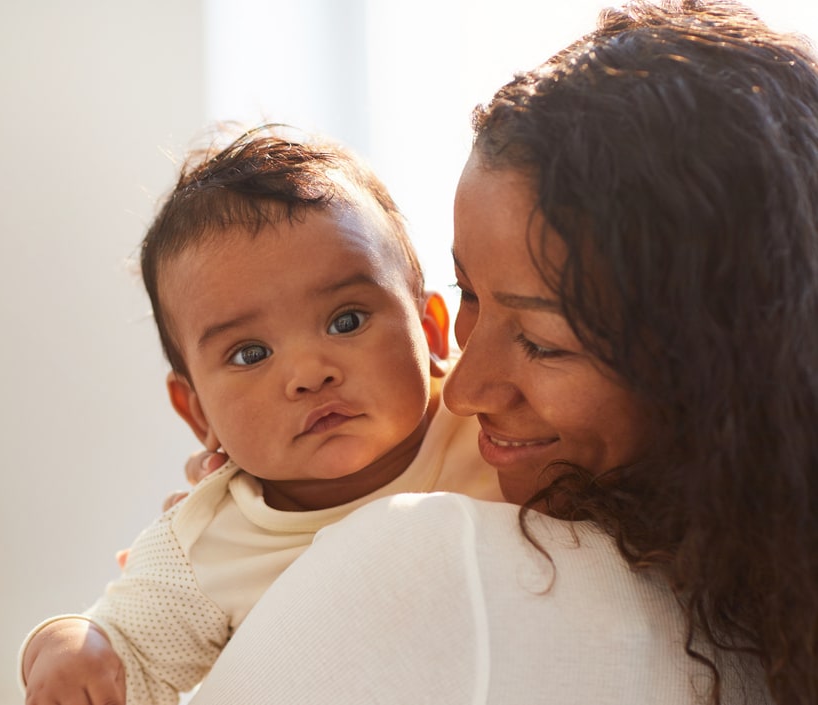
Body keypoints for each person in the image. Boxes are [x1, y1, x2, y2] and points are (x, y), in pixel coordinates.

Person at [183, 2, 818, 704]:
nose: (460, 388)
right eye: (469, 294)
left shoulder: (422, 559)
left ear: (717, 367)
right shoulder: (773, 611)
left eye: (542, 343)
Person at [19, 126, 502, 705]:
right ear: (199, 415)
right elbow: (127, 650)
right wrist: (65, 644)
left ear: (429, 332)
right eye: (251, 354)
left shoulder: (491, 424)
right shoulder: (210, 536)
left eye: (346, 320)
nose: (308, 373)